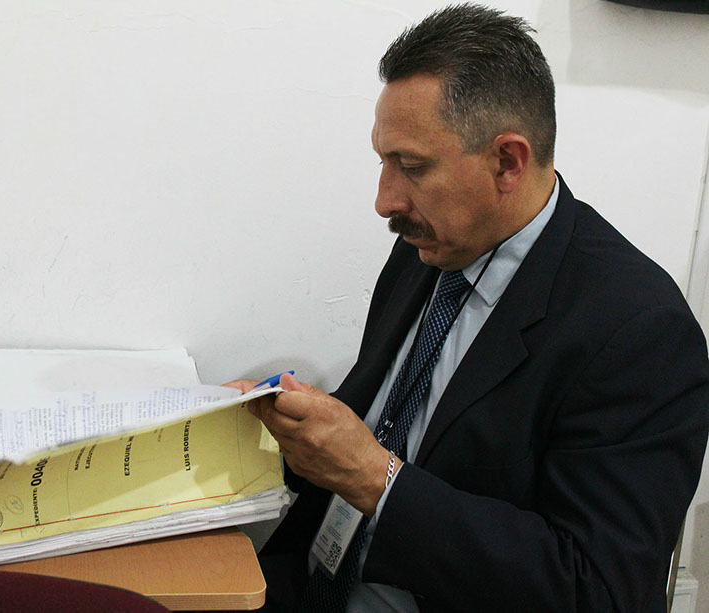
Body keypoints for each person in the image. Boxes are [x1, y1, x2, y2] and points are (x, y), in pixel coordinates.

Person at [226, 3, 709, 612]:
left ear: (508, 162)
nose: (384, 200)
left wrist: (377, 481)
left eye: (412, 167)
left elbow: (598, 590)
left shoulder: (639, 332)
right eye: (383, 161)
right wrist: (275, 430)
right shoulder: (431, 245)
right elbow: (390, 420)